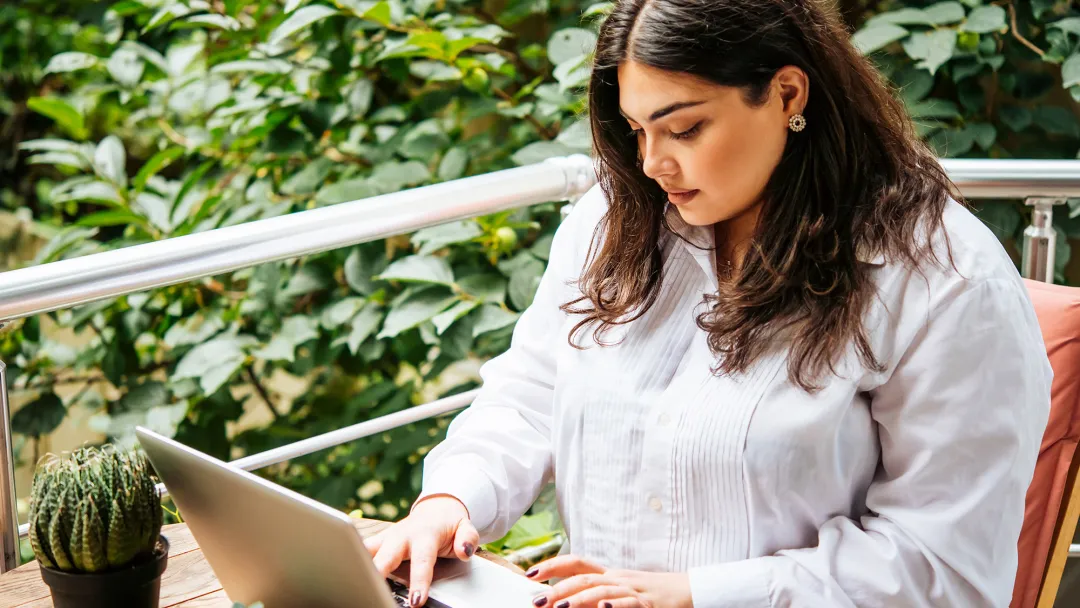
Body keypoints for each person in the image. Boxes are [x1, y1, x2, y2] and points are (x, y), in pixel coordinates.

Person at [363, 0, 1053, 606]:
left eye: (684, 129)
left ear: (787, 94)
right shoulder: (615, 220)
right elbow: (531, 394)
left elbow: (946, 570)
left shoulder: (946, 281)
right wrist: (450, 499)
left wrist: (699, 596)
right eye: (637, 131)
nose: (651, 164)